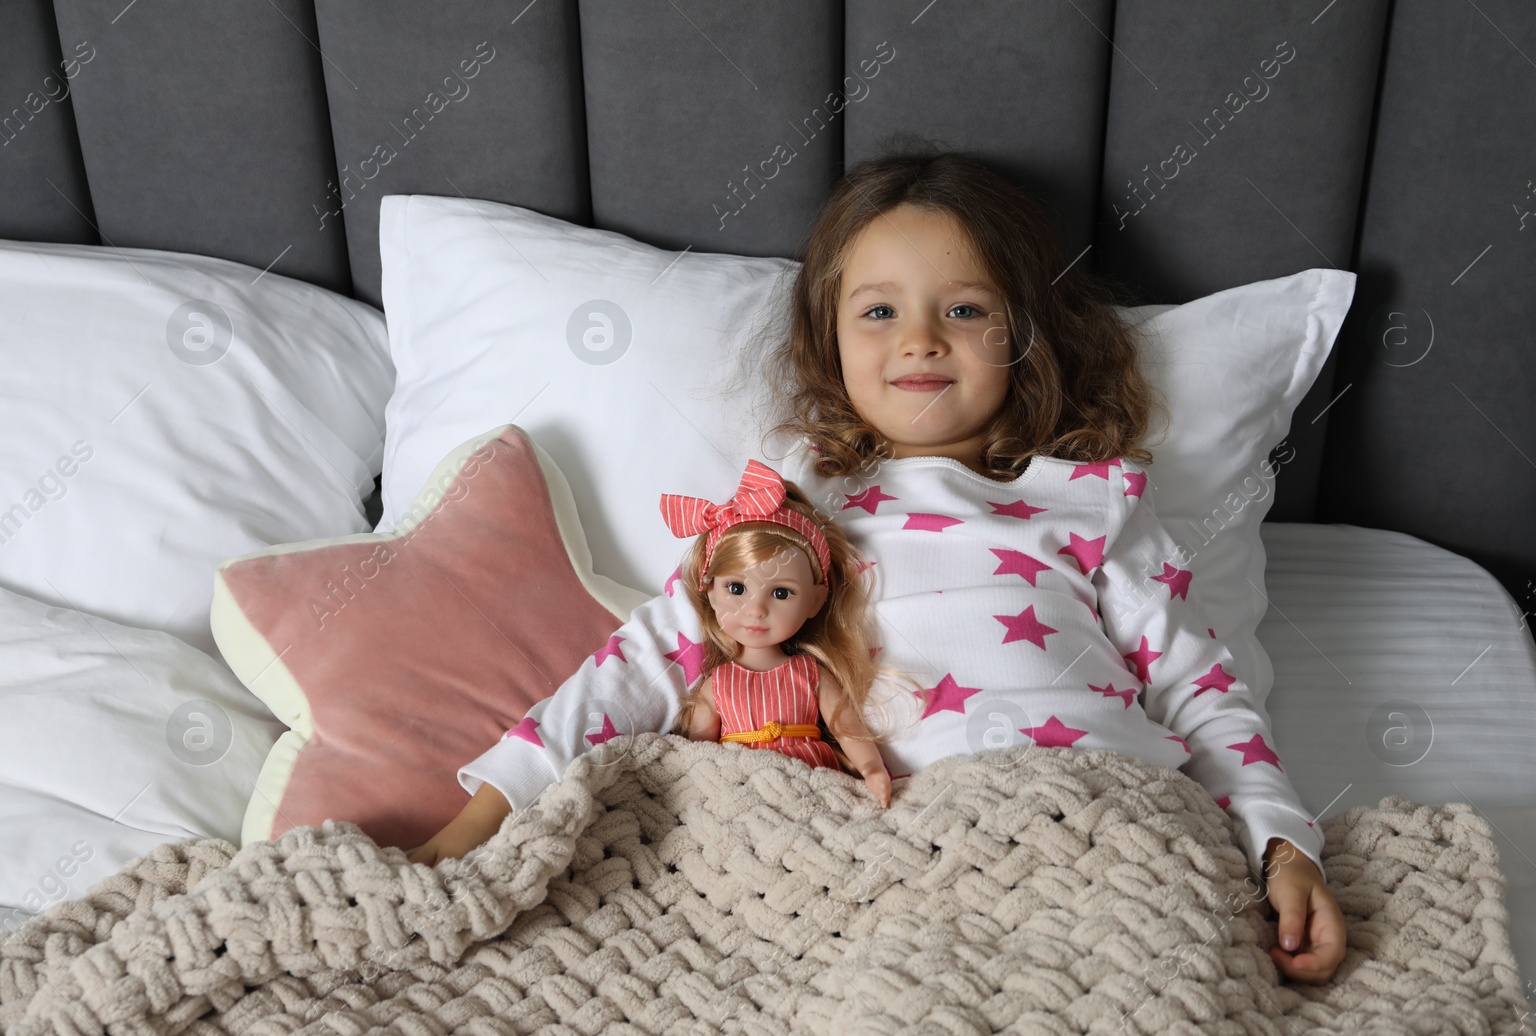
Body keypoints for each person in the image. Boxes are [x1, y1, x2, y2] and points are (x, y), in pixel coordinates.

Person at [409, 147, 1347, 985]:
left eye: (966, 309)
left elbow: (1204, 691)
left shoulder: (1093, 502)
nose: (920, 338)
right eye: (880, 310)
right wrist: (479, 819)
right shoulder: (797, 508)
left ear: (1024, 334)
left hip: (1097, 812)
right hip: (887, 843)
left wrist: (1282, 847)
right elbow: (646, 659)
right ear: (831, 339)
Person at [658, 457, 894, 807]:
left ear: (815, 601)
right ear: (709, 591)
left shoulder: (811, 673)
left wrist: (872, 767)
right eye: (736, 589)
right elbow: (697, 757)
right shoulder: (717, 683)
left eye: (781, 593)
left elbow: (846, 726)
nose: (756, 609)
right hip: (741, 785)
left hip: (812, 779)